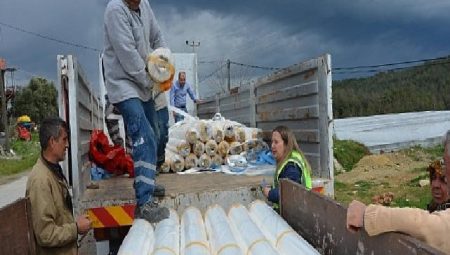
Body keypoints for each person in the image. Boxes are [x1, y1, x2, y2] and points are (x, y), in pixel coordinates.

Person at [103, 0, 169, 222]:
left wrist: (163, 61)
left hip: (143, 84)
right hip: (124, 83)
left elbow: (157, 37)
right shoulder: (115, 10)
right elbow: (127, 55)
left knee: (156, 133)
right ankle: (144, 202)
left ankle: (145, 181)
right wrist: (151, 81)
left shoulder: (145, 6)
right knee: (144, 135)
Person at [346, 131, 450, 254]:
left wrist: (368, 215)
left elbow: (431, 226)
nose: (437, 185)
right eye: (433, 178)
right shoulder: (435, 206)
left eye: (443, 178)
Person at [26, 118, 92, 255]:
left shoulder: (53, 171)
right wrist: (76, 228)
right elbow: (45, 234)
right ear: (52, 141)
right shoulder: (41, 181)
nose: (67, 145)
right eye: (64, 139)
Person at [262, 125, 312, 209]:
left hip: (296, 212)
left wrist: (269, 193)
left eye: (276, 142)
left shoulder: (292, 166)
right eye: (272, 142)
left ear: (286, 144)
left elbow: (289, 193)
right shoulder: (290, 159)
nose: (272, 146)